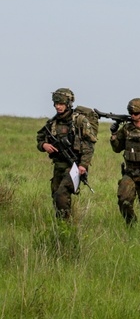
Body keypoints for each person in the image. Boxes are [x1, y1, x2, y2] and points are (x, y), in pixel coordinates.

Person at [36, 88, 97, 220]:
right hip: (58, 166)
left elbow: (89, 144)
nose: (58, 107)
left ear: (68, 103)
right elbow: (40, 138)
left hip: (74, 166)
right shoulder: (52, 123)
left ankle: (65, 226)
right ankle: (62, 225)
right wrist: (44, 145)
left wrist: (83, 165)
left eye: (61, 104)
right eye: (56, 104)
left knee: (62, 194)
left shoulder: (79, 121)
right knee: (56, 196)